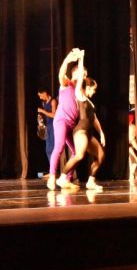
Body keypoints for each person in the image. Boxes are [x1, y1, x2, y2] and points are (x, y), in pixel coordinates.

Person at [56, 51, 106, 191]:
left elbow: (94, 118)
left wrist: (101, 132)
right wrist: (81, 58)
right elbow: (78, 84)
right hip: (81, 131)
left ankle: (91, 181)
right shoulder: (80, 95)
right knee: (79, 155)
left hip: (89, 133)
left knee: (101, 155)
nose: (94, 92)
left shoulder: (90, 102)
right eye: (93, 89)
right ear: (88, 87)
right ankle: (62, 177)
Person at [47, 48, 86, 190]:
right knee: (60, 146)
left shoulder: (79, 90)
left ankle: (66, 179)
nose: (82, 76)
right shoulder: (67, 83)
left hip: (72, 125)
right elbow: (61, 73)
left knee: (77, 152)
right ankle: (52, 177)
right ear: (74, 74)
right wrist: (68, 60)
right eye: (81, 73)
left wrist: (81, 60)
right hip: (62, 121)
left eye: (84, 74)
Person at [37, 87, 57, 164]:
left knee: (52, 148)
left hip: (53, 127)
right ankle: (52, 169)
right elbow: (47, 115)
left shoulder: (53, 101)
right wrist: (41, 117)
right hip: (47, 127)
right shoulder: (43, 103)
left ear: (45, 93)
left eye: (40, 95)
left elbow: (54, 115)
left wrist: (42, 110)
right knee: (48, 149)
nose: (40, 97)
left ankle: (55, 169)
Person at [128, 112, 137, 184]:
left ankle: (132, 174)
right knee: (133, 159)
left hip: (132, 127)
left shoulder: (133, 127)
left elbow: (132, 140)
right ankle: (132, 174)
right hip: (130, 146)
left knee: (134, 160)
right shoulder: (131, 127)